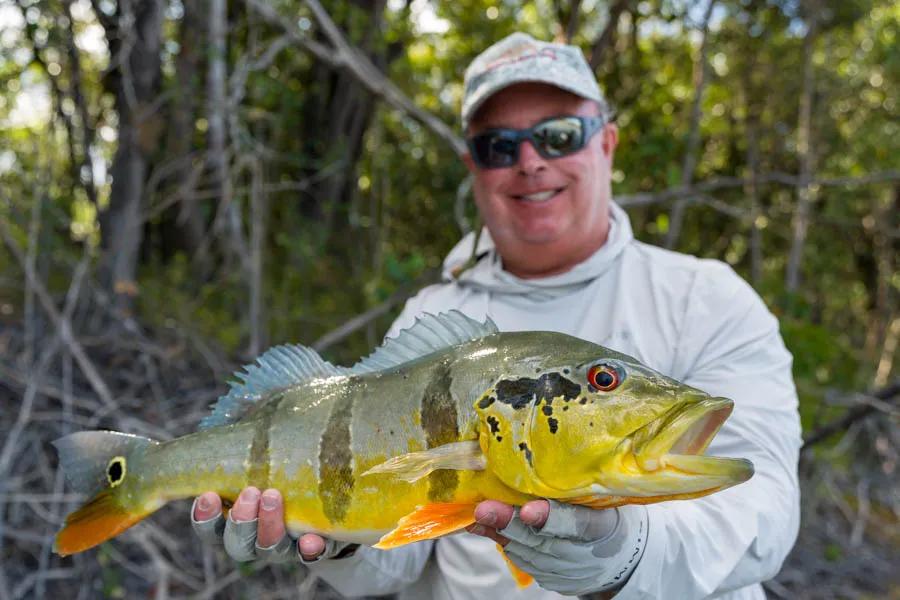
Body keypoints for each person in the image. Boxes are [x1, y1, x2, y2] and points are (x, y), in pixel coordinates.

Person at [191, 33, 801, 599]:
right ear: (474, 168)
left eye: (560, 135)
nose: (530, 161)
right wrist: (332, 537)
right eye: (498, 146)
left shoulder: (708, 298)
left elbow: (765, 512)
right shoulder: (435, 314)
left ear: (607, 143)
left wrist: (622, 550)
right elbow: (398, 556)